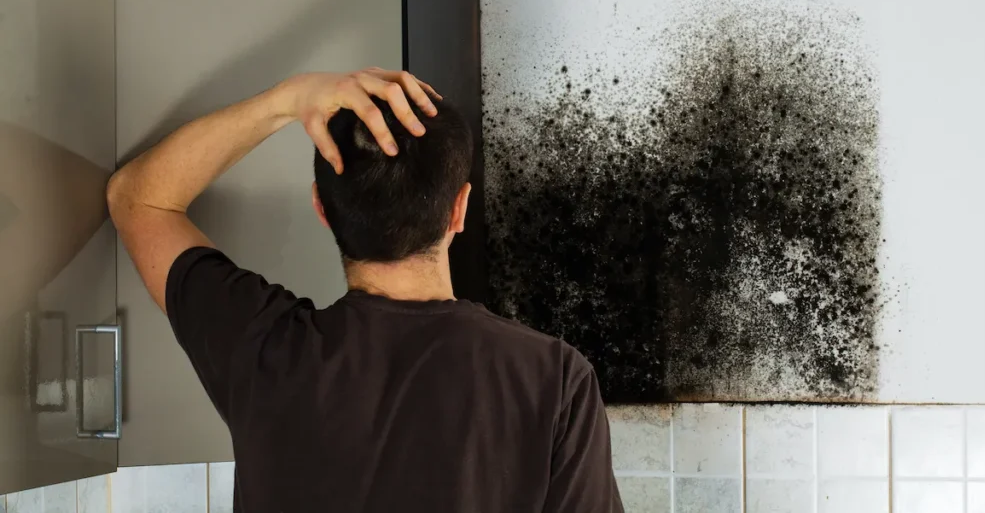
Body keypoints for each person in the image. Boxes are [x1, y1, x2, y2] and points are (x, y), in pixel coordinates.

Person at [107, 69, 623, 513]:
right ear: (459, 210)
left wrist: (288, 100)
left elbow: (138, 200)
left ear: (322, 209)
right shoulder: (554, 382)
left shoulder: (261, 351)